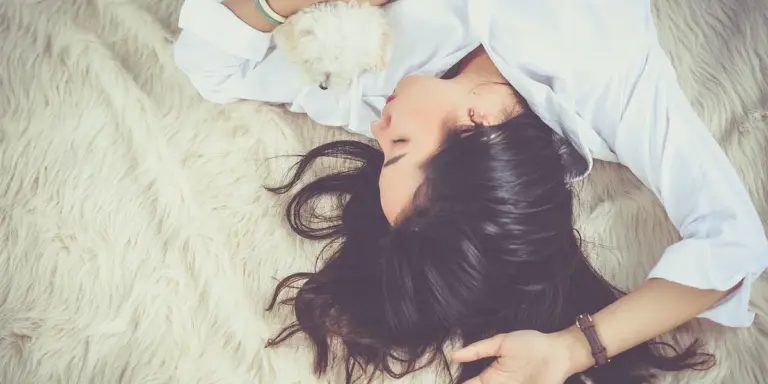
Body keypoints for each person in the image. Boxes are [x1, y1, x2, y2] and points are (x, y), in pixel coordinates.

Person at [173, 0, 768, 383]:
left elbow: (216, 70)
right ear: (478, 126)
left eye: (382, 154)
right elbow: (732, 245)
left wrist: (283, 3)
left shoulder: (380, 88)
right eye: (399, 146)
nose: (379, 128)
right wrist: (572, 350)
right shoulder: (607, 76)